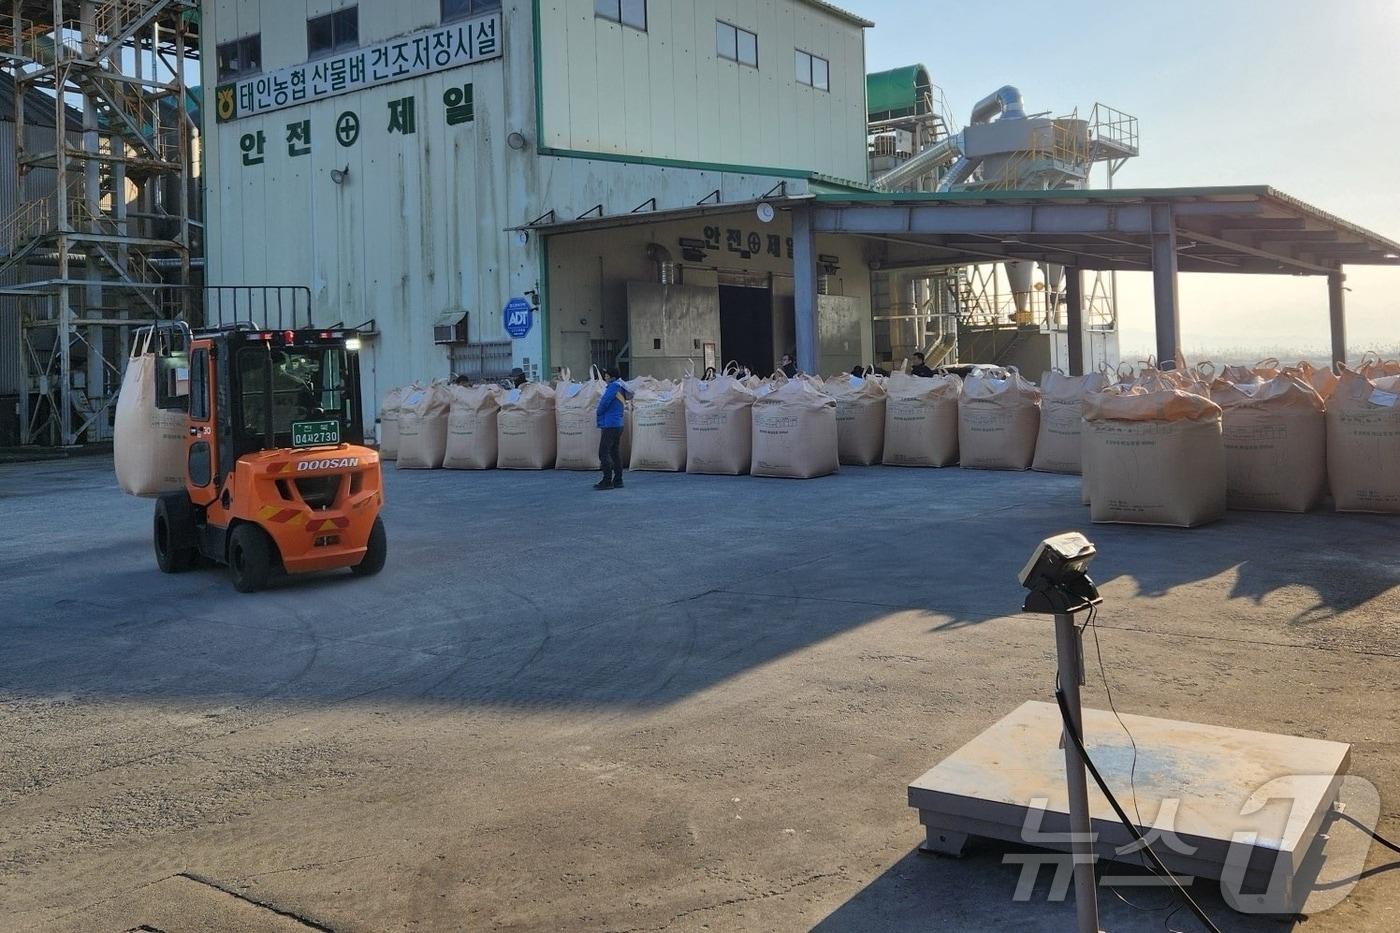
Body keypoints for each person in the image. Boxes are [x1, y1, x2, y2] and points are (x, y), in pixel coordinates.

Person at [594, 369, 633, 490]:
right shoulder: (621, 388)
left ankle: (607, 481)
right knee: (614, 453)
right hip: (618, 424)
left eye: (606, 376)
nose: (605, 378)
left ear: (612, 377)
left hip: (610, 425)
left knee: (603, 452)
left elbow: (604, 403)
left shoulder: (613, 387)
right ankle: (618, 480)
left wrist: (598, 412)